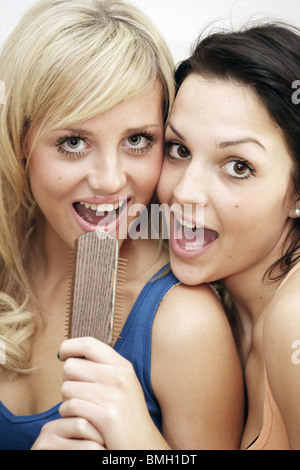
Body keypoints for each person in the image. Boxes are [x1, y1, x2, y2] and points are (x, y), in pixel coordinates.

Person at [0, 0, 244, 451]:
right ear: (19, 141)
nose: (111, 180)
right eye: (73, 142)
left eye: (138, 140)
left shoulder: (184, 325)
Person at [157, 22, 300, 450]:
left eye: (238, 165)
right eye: (179, 150)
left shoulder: (294, 319)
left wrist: (135, 440)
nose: (184, 191)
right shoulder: (223, 303)